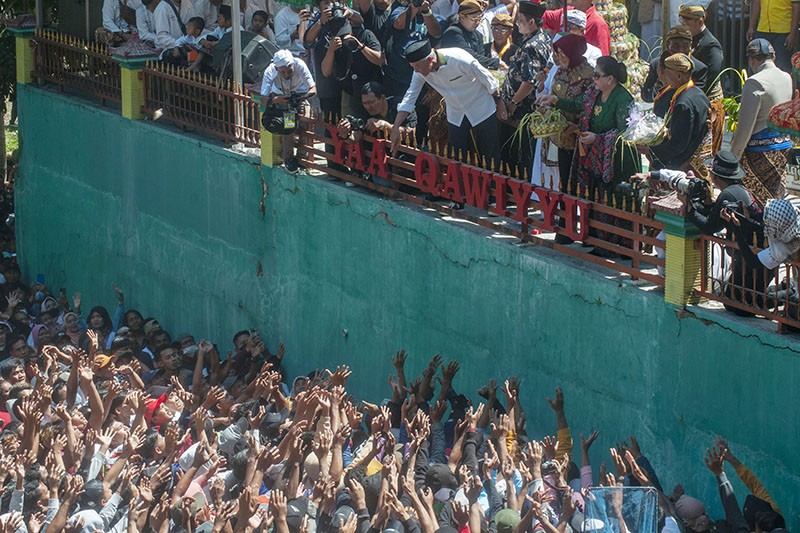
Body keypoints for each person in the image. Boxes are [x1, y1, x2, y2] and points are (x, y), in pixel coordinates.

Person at [540, 56, 640, 255]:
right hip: (594, 158)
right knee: (594, 197)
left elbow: (627, 134)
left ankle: (615, 245)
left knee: (612, 199)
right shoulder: (595, 93)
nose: (593, 79)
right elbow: (579, 104)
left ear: (610, 79)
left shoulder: (623, 99)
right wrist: (556, 100)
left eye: (597, 76)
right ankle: (595, 239)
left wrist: (598, 138)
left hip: (616, 162)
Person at [392, 40, 503, 173]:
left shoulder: (459, 59)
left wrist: (499, 101)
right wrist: (396, 127)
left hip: (481, 107)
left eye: (417, 66)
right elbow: (410, 97)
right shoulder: (419, 73)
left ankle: (493, 191)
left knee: (490, 153)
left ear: (429, 60)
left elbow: (488, 79)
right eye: (413, 67)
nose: (416, 70)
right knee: (457, 156)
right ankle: (461, 189)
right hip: (456, 112)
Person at [537, 34, 593, 240]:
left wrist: (558, 104)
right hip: (563, 136)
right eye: (557, 53)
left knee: (583, 184)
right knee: (565, 182)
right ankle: (567, 225)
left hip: (582, 136)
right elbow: (554, 95)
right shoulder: (560, 72)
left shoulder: (588, 75)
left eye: (563, 53)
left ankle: (587, 228)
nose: (559, 58)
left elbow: (585, 106)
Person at [729, 39, 793, 207]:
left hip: (759, 152)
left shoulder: (754, 82)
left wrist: (733, 156)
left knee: (754, 204)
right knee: (776, 199)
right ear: (774, 56)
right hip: (783, 147)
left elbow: (745, 127)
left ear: (752, 60)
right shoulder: (787, 77)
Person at [498, 1, 551, 176]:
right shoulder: (544, 37)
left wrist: (512, 103)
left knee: (519, 155)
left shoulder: (531, 47)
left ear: (531, 22)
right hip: (526, 109)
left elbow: (529, 82)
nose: (516, 23)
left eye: (520, 20)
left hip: (522, 111)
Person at [644, 53, 711, 186]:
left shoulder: (683, 104)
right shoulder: (698, 93)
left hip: (683, 162)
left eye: (667, 72)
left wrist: (650, 150)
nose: (663, 76)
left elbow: (678, 145)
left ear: (679, 76)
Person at [260, 49, 317, 173]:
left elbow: (313, 89)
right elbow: (263, 99)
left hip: (300, 95)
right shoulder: (270, 71)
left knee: (305, 124)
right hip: (280, 97)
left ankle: (303, 157)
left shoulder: (300, 65)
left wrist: (302, 98)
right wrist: (277, 100)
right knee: (288, 128)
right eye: (283, 72)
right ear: (276, 69)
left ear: (293, 65)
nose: (286, 75)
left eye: (289, 71)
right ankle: (288, 158)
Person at [678, 2, 724, 154]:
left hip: (706, 104)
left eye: (687, 23)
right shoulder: (688, 40)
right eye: (682, 23)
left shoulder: (711, 46)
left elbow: (710, 77)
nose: (683, 27)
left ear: (700, 21)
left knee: (704, 155)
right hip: (688, 99)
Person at [642, 25, 708, 103]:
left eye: (685, 46)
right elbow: (645, 96)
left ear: (691, 47)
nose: (680, 50)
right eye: (676, 46)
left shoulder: (699, 69)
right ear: (668, 46)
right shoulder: (657, 65)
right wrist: (656, 90)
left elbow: (696, 99)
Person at [440, 0, 500, 69]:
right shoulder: (453, 33)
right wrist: (496, 63)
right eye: (474, 19)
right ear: (462, 16)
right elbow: (469, 57)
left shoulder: (478, 35)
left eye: (479, 19)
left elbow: (481, 59)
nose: (477, 23)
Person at [746, 0, 800, 72]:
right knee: (757, 65)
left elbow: (796, 7)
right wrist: (751, 26)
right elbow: (757, 3)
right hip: (762, 29)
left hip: (783, 32)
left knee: (782, 67)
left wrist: (793, 34)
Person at [542, 0, 611, 55]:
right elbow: (540, 15)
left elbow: (602, 61)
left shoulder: (598, 25)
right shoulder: (566, 12)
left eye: (570, 27)